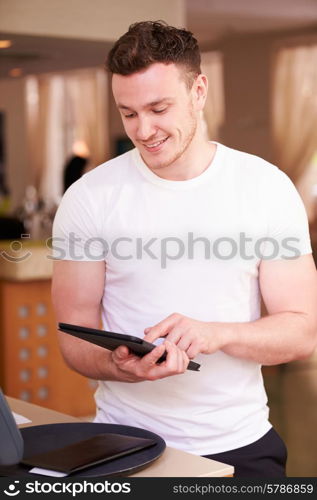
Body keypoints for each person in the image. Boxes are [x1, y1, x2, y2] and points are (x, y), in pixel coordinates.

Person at [51, 21, 317, 477]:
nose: (144, 129)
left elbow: (303, 331)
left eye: (158, 108)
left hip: (240, 445)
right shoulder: (88, 197)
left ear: (199, 90)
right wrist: (118, 366)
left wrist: (218, 334)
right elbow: (72, 333)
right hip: (126, 443)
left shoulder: (266, 188)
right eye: (128, 113)